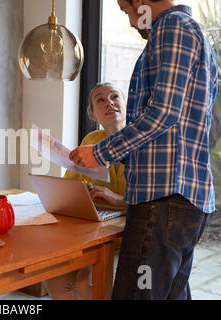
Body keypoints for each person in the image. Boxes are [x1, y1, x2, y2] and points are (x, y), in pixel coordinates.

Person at [69, 0, 218, 300]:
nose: (130, 22)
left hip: (162, 202)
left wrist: (100, 153)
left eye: (126, 11)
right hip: (182, 202)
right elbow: (174, 135)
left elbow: (163, 113)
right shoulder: (194, 35)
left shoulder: (172, 28)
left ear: (140, 3)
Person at [46, 82, 127, 300]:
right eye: (100, 100)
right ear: (93, 114)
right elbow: (70, 185)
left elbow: (154, 199)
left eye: (114, 96)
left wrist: (120, 199)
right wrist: (82, 191)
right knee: (54, 275)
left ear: (125, 104)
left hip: (127, 239)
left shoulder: (141, 143)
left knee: (86, 281)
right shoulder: (90, 142)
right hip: (93, 235)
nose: (109, 102)